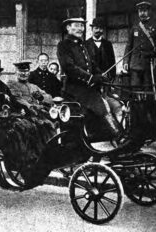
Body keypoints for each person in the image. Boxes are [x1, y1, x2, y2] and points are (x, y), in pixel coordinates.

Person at [0, 58, 55, 188]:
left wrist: (23, 109)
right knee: (20, 128)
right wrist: (1, 98)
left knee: (30, 125)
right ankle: (22, 164)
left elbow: (13, 102)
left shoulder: (2, 86)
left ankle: (31, 162)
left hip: (8, 117)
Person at [57, 8, 122, 141]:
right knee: (99, 110)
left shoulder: (82, 45)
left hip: (88, 90)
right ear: (68, 27)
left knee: (104, 108)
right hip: (74, 91)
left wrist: (100, 75)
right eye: (76, 26)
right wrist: (91, 78)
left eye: (82, 26)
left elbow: (91, 64)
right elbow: (69, 67)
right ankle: (113, 137)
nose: (80, 29)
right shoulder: (63, 45)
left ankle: (110, 141)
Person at [123, 0, 156, 100]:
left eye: (144, 10)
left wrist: (155, 53)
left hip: (149, 64)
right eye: (140, 11)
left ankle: (149, 113)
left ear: (149, 11)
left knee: (149, 93)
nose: (142, 13)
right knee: (134, 92)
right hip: (134, 65)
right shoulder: (135, 27)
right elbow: (129, 45)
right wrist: (126, 61)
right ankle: (135, 114)